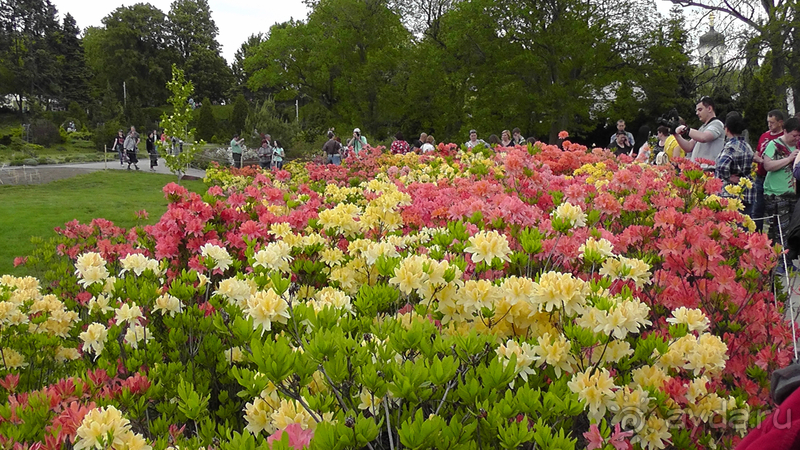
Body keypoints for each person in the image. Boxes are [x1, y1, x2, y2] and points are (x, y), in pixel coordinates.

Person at [762, 117, 800, 266]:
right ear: (785, 131)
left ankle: (785, 262)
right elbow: (767, 165)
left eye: (798, 136)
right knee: (780, 230)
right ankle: (780, 263)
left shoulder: (797, 147)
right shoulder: (774, 144)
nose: (796, 139)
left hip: (792, 194)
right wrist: (789, 159)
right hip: (776, 194)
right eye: (794, 135)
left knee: (791, 230)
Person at [715, 113, 755, 217]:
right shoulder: (747, 146)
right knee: (745, 221)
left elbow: (722, 166)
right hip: (747, 192)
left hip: (730, 194)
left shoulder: (731, 147)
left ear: (727, 129)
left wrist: (728, 177)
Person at [753, 110, 786, 232]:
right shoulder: (764, 136)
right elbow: (757, 153)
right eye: (768, 122)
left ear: (780, 122)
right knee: (757, 210)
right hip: (760, 177)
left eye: (772, 123)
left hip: (774, 178)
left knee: (774, 212)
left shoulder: (783, 138)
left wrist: (766, 162)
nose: (769, 125)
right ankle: (757, 236)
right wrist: (760, 160)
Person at [674, 97, 725, 171]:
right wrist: (675, 134)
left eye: (700, 110)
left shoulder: (717, 124)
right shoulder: (702, 128)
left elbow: (704, 137)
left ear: (709, 109)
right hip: (698, 171)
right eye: (697, 110)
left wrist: (686, 129)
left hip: (709, 170)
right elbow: (689, 147)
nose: (697, 113)